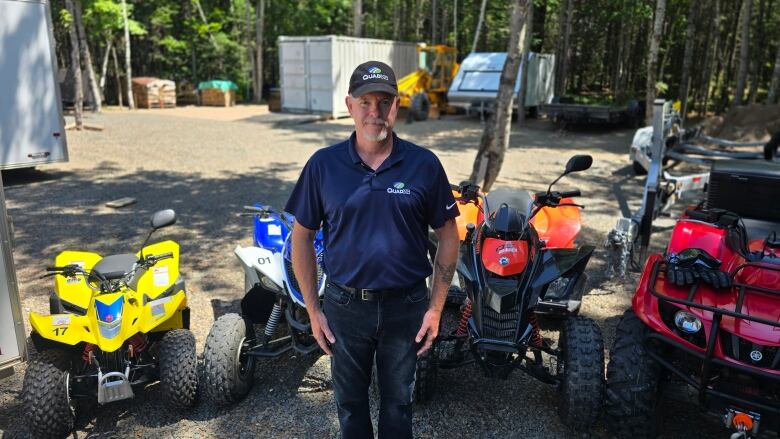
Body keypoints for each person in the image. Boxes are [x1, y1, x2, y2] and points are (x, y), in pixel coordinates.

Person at [285, 60, 460, 439]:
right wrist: (313, 309)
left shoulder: (423, 165)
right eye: (366, 102)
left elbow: (449, 235)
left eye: (384, 102)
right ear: (350, 105)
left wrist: (435, 308)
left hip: (406, 307)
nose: (375, 112)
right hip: (345, 309)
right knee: (350, 406)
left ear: (397, 106)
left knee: (399, 405)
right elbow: (301, 236)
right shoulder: (323, 166)